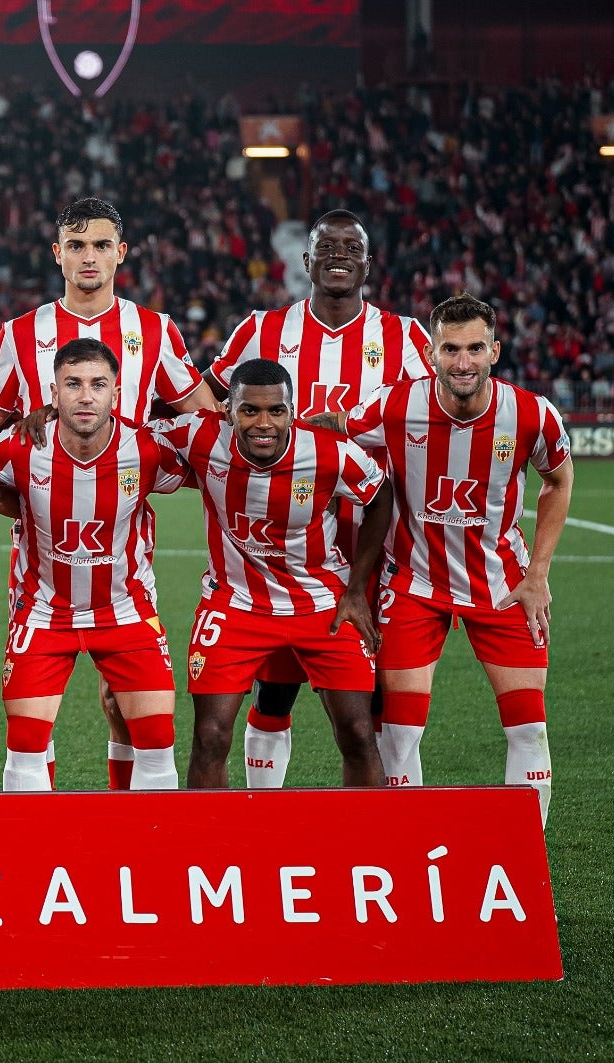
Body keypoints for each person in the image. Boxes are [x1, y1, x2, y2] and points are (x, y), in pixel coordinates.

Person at [0, 197, 217, 790]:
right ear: (58, 255)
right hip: (43, 562)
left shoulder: (152, 330)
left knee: (129, 716)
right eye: (76, 245)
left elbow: (206, 422)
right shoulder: (23, 335)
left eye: (101, 245)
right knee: (32, 729)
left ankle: (129, 848)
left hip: (126, 557)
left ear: (120, 253)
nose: (89, 256)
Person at [323, 292, 573, 824]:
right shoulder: (395, 405)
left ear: (495, 351)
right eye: (451, 349)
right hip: (414, 583)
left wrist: (538, 573)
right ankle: (407, 849)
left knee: (528, 725)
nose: (463, 362)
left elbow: (559, 479)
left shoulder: (531, 414)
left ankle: (528, 853)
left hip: (501, 583)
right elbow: (335, 429)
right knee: (401, 731)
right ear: (431, 353)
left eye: (475, 349)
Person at [209, 209, 432, 788]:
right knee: (276, 685)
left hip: (375, 544)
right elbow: (206, 402)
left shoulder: (405, 338)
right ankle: (267, 817)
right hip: (283, 549)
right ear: (305, 262)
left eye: (350, 247)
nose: (338, 255)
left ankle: (381, 829)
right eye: (325, 246)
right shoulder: (261, 330)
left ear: (367, 263)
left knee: (374, 695)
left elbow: (432, 418)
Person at [152, 358, 388, 788]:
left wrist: (356, 590)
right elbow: (122, 438)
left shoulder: (328, 451)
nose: (264, 423)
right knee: (209, 736)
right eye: (249, 410)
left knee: (357, 733)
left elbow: (380, 493)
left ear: (292, 411)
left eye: (276, 411)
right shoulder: (199, 434)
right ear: (227, 411)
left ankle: (366, 846)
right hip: (234, 603)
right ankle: (211, 851)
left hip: (321, 603)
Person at [0, 339, 189, 790]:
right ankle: (36, 856)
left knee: (156, 740)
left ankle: (143, 849)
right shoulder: (20, 447)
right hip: (44, 613)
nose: (86, 396)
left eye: (97, 385)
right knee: (26, 744)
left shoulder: (147, 449)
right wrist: (6, 502)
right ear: (53, 394)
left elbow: (215, 468)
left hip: (125, 610)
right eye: (72, 384)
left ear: (115, 392)